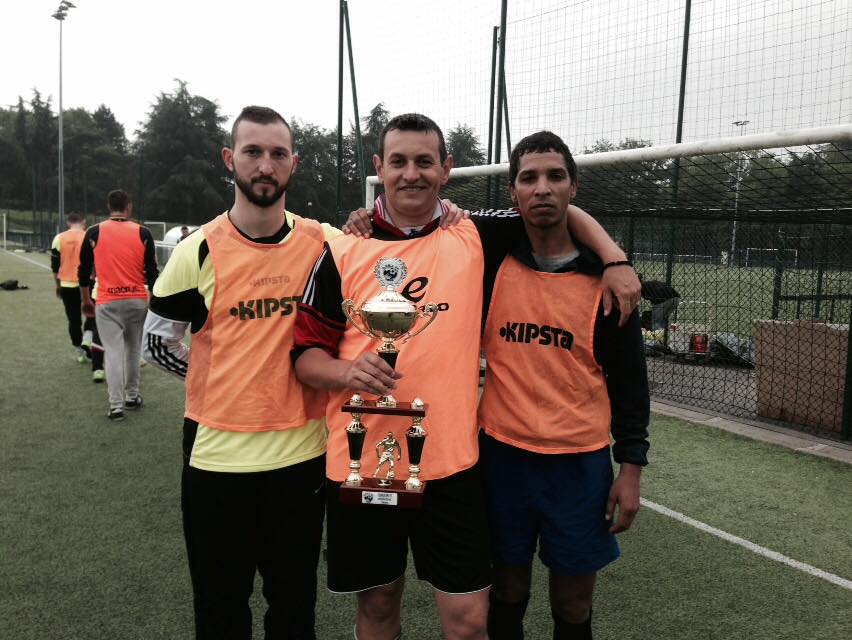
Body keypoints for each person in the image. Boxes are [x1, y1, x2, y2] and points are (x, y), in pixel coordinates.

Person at [292, 113, 642, 640]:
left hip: (454, 466)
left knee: (469, 620)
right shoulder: (343, 247)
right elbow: (304, 358)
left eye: (425, 162)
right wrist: (346, 370)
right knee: (380, 605)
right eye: (399, 162)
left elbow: (553, 207)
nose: (412, 174)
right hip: (366, 463)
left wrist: (614, 258)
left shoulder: (475, 233)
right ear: (379, 168)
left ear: (446, 169)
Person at [141, 105, 342, 640]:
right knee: (220, 612)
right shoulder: (198, 249)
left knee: (294, 611)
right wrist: (221, 380)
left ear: (294, 163)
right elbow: (157, 342)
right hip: (216, 460)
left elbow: (387, 256)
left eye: (278, 154)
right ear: (230, 159)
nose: (265, 165)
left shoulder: (325, 243)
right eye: (253, 152)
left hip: (301, 458)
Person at [477, 131, 650, 640]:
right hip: (502, 457)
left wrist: (631, 469)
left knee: (574, 602)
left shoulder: (609, 284)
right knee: (506, 587)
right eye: (528, 178)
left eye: (555, 176)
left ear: (574, 187)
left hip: (579, 464)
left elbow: (630, 384)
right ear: (512, 192)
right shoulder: (491, 257)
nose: (542, 188)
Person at [79, 190, 158, 420]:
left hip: (107, 301)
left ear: (108, 206)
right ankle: (132, 396)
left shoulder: (94, 231)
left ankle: (116, 406)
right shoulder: (143, 232)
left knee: (113, 353)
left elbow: (83, 271)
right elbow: (152, 272)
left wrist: (86, 299)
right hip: (137, 301)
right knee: (133, 351)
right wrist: (152, 299)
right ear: (129, 207)